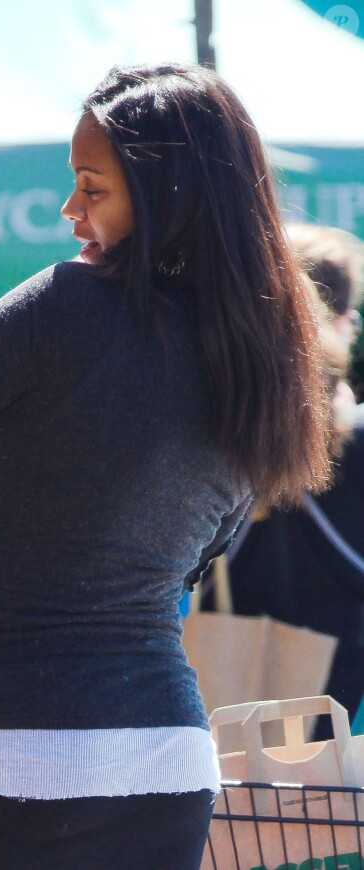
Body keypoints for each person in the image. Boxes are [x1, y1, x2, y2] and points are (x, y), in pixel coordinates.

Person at [0, 63, 331, 870]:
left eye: (91, 188)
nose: (71, 211)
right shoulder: (268, 358)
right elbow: (204, 550)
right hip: (161, 760)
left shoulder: (68, 303)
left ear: (165, 192)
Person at [222, 222, 364, 738]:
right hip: (343, 681)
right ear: (344, 321)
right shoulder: (347, 436)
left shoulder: (225, 430)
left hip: (226, 684)